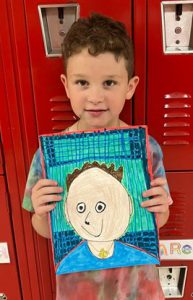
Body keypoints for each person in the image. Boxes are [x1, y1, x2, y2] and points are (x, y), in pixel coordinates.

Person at [23, 13, 172, 300]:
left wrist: (160, 211)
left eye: (109, 83)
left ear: (130, 87)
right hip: (81, 290)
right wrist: (42, 213)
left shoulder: (146, 149)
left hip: (138, 289)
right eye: (82, 83)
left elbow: (157, 219)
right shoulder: (48, 156)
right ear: (66, 85)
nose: (95, 96)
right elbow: (44, 230)